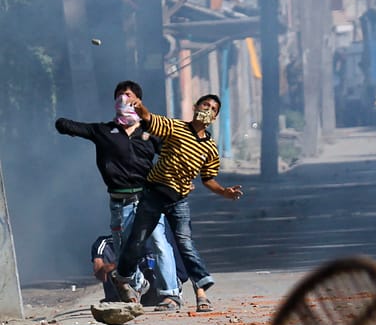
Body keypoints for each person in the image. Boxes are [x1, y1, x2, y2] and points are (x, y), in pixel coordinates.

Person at [55, 80, 182, 310]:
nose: (125, 98)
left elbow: (174, 154)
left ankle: (171, 294)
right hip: (119, 202)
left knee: (160, 243)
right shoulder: (104, 131)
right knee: (124, 251)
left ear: (139, 102)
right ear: (115, 102)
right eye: (120, 95)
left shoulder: (151, 132)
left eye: (130, 95)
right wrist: (64, 126)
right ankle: (138, 283)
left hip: (148, 199)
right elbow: (66, 124)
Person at [110, 94, 242, 312]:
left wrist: (224, 192)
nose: (207, 110)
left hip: (179, 200)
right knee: (137, 239)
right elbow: (151, 120)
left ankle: (201, 293)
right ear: (195, 107)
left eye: (213, 109)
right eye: (205, 105)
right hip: (153, 194)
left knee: (185, 244)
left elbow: (208, 178)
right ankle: (123, 278)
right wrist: (139, 105)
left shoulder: (210, 148)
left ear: (215, 117)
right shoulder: (175, 127)